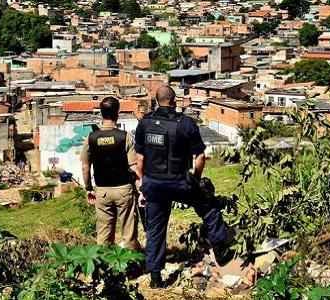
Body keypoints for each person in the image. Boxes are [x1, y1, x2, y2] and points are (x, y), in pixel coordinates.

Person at [135, 85, 233, 288]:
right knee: (208, 206)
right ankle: (222, 250)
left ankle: (155, 278)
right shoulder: (186, 123)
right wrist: (196, 180)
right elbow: (200, 157)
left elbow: (139, 160)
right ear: (174, 101)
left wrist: (143, 184)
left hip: (154, 184)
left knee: (155, 230)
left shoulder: (145, 124)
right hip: (179, 181)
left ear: (156, 100)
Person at [81, 96, 141, 250]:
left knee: (104, 234)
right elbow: (134, 167)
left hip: (102, 191)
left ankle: (105, 267)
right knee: (129, 233)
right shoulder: (124, 136)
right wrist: (141, 188)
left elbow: (85, 166)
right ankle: (130, 265)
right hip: (123, 189)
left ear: (101, 113)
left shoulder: (91, 138)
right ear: (117, 113)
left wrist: (88, 188)